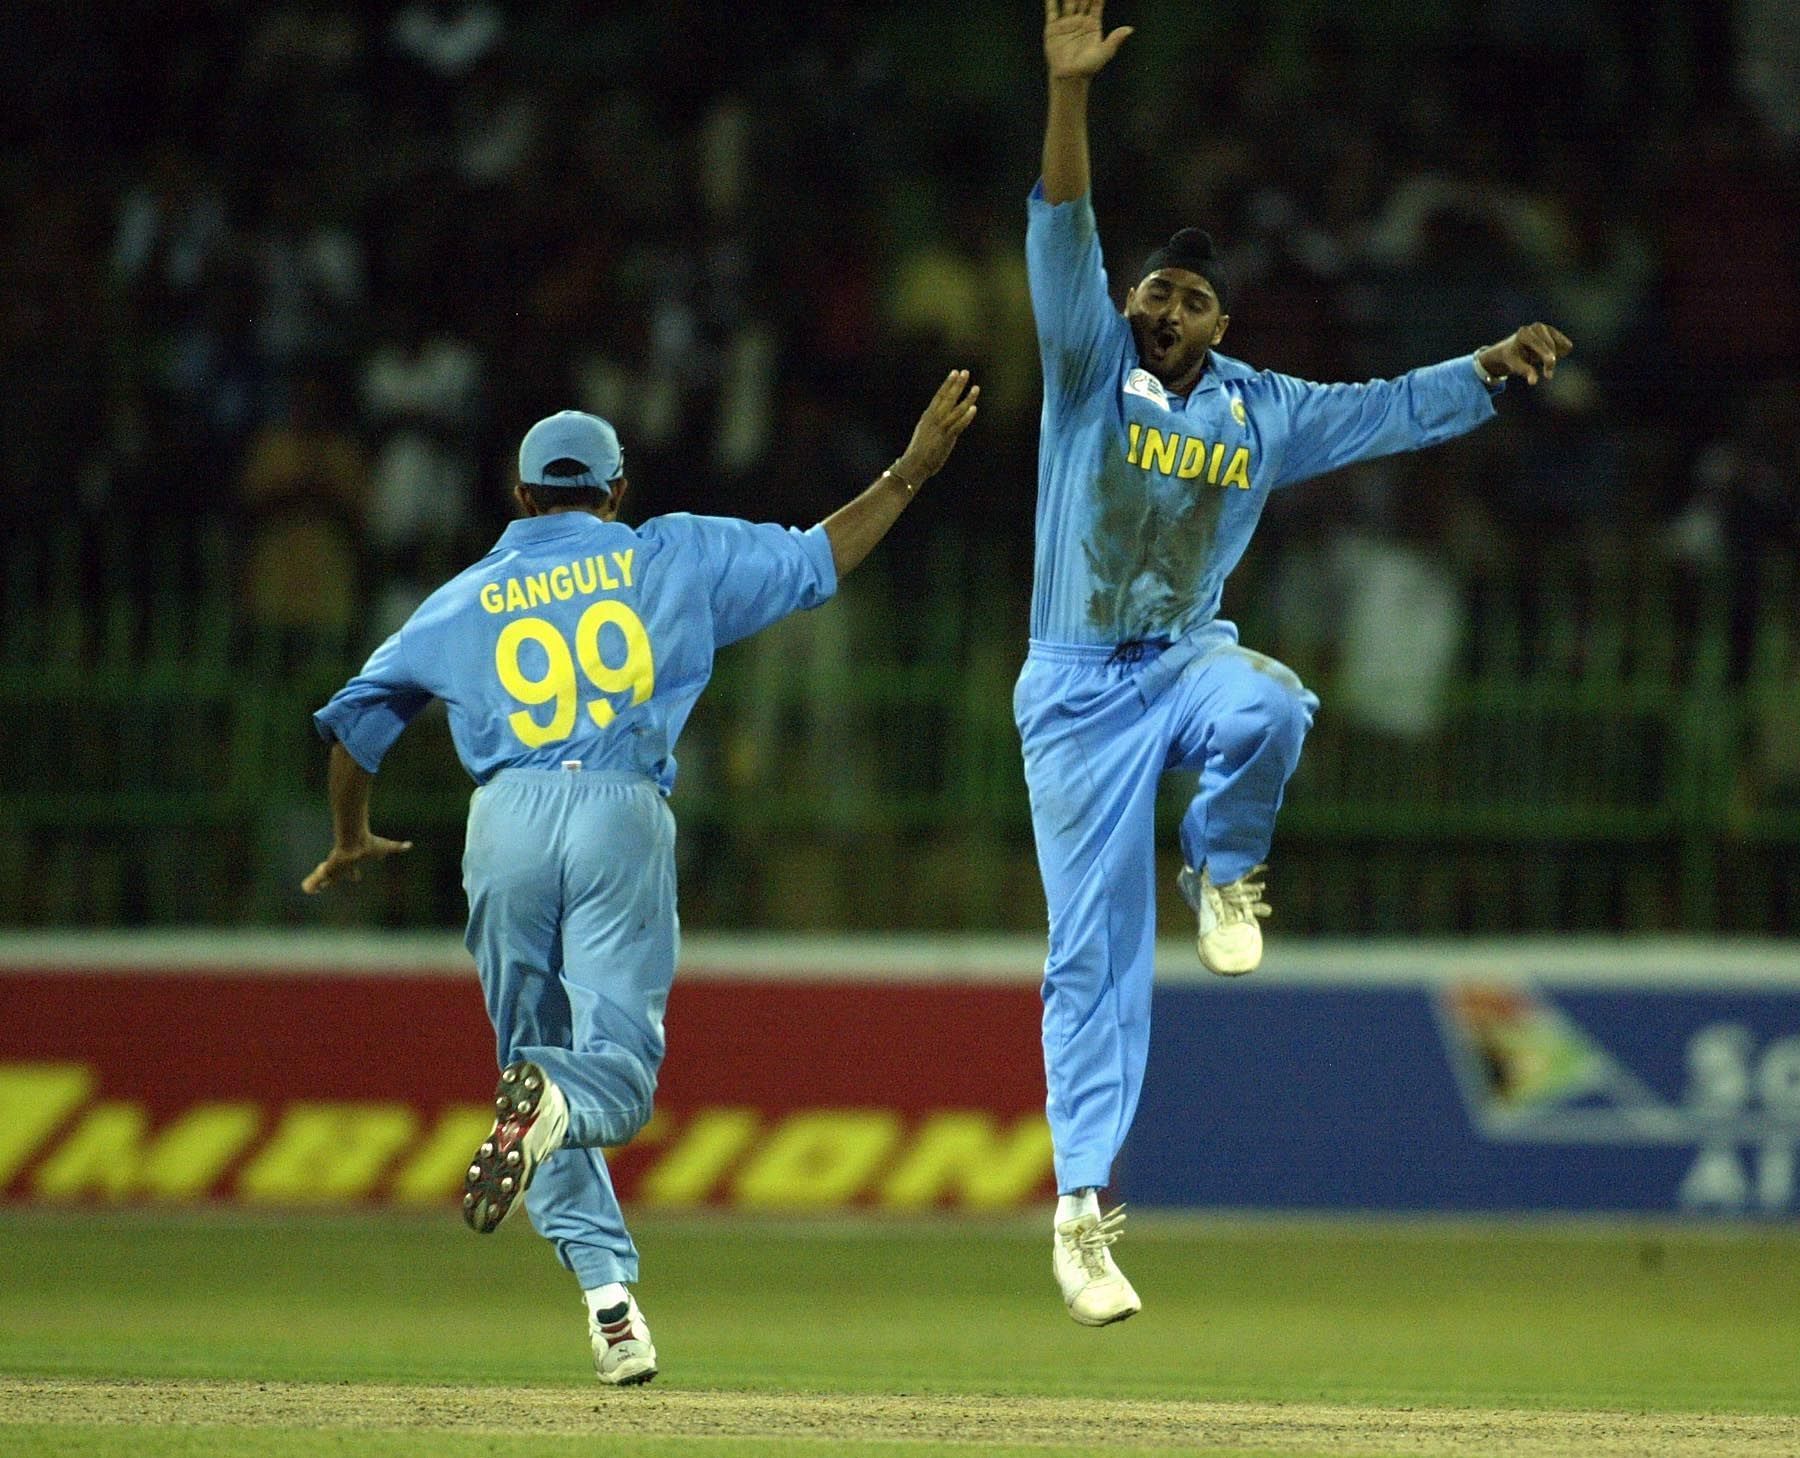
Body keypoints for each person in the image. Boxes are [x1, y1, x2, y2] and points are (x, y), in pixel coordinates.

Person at [1022, 0, 1573, 1328]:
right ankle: (1085, 1213)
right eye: (1156, 286)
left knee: (1272, 699)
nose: (1164, 302)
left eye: (1191, 295)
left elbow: (1388, 410)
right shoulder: (1090, 369)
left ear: (1220, 323)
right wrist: (1070, 96)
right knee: (1091, 958)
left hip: (1188, 660)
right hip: (1077, 686)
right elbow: (1063, 226)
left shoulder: (1263, 407)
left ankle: (1223, 865)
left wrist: (1486, 374)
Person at [301, 370, 980, 1383]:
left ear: (521, 496)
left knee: (528, 1080)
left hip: (505, 824)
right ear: (618, 491)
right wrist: (911, 471)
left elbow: (355, 726)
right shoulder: (674, 554)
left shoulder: (460, 598)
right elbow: (818, 559)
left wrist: (352, 835)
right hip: (619, 809)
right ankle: (575, 1181)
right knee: (604, 1077)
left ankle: (609, 1302)